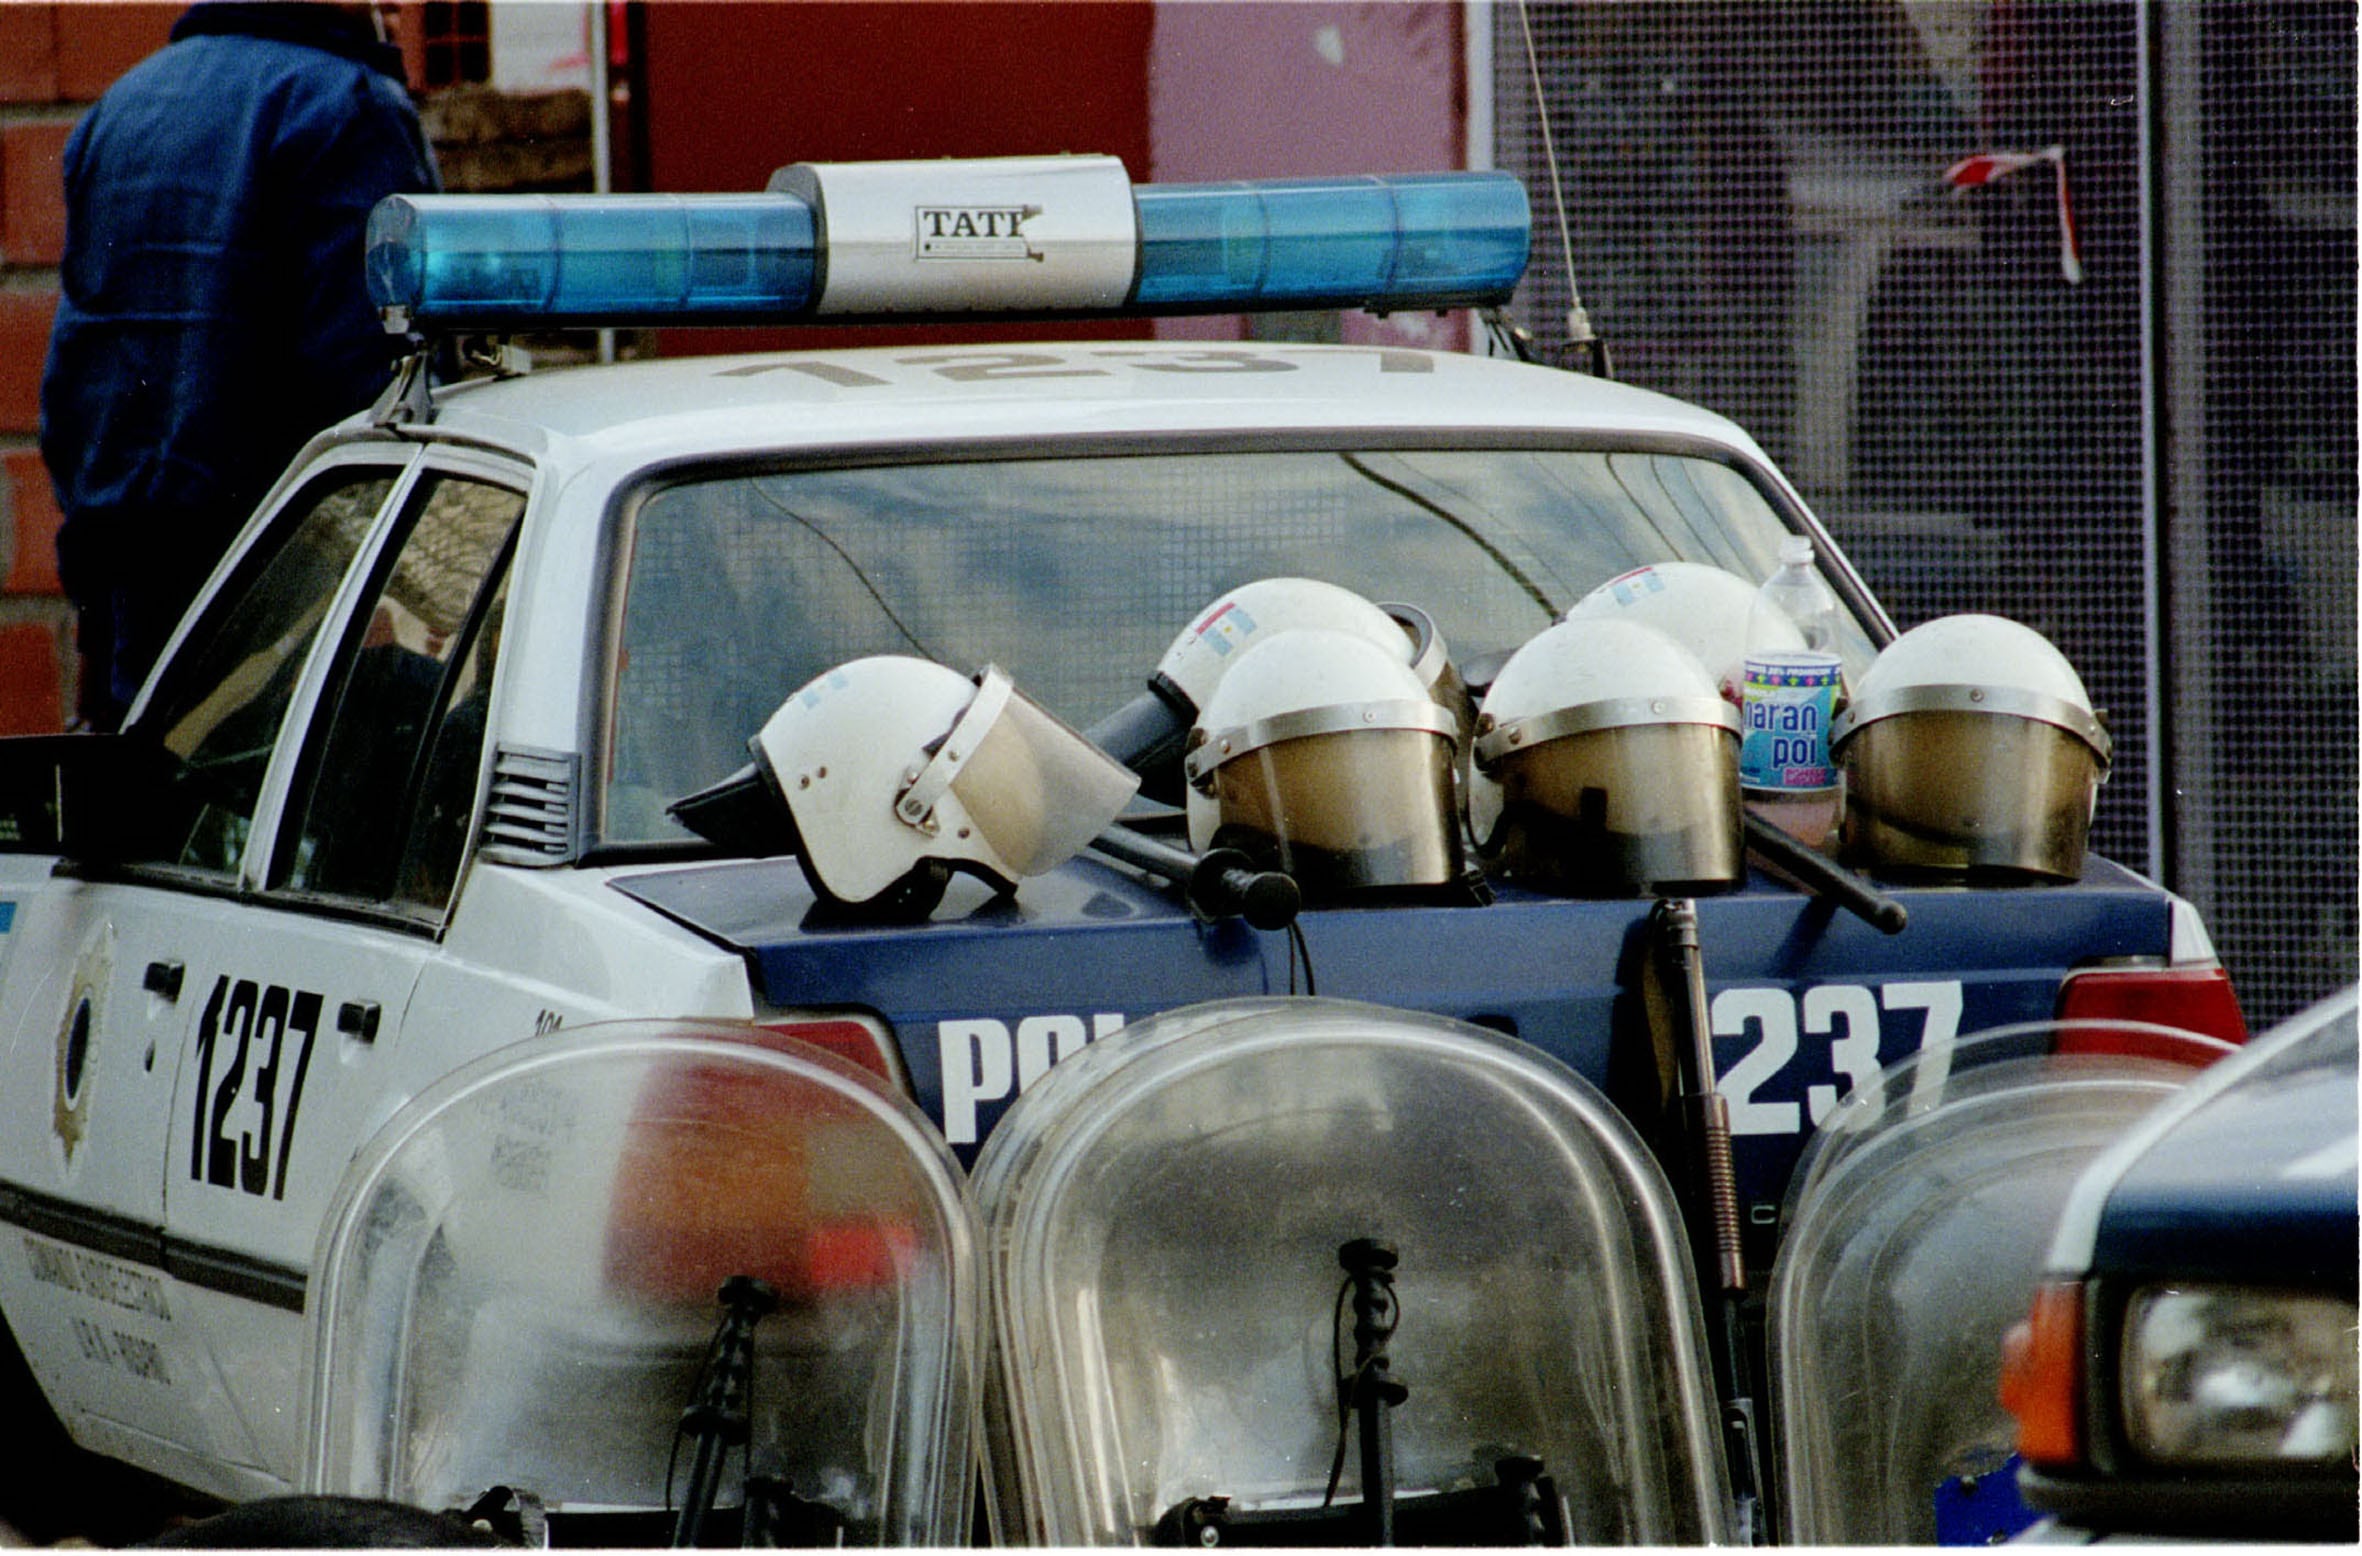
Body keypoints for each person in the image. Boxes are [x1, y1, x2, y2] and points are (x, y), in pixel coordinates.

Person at [39, 1, 438, 731]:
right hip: (277, 614)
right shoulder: (345, 107)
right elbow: (378, 394)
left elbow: (75, 386)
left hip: (128, 600)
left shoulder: (122, 108)